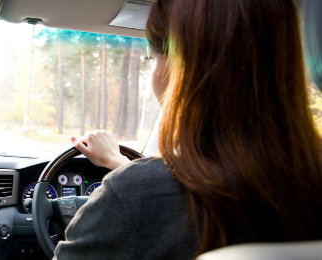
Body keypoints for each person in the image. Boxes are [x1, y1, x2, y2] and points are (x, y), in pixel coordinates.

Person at [54, 0, 322, 259]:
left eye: (152, 58)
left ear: (181, 70)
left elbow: (158, 197)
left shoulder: (132, 197)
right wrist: (120, 163)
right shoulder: (309, 186)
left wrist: (126, 183)